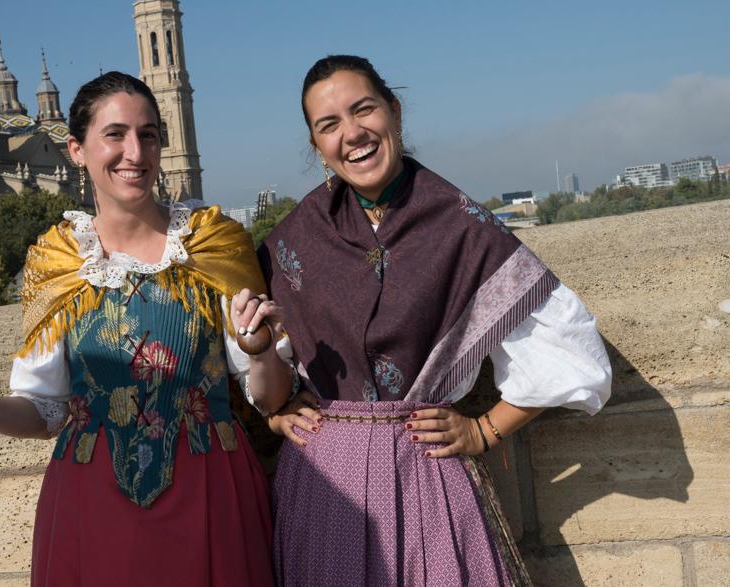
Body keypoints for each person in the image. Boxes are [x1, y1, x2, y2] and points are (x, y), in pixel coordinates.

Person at [234, 55, 612, 586]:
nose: (352, 134)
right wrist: (275, 415)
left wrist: (483, 429)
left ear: (395, 110)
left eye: (363, 109)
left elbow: (570, 349)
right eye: (329, 125)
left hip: (426, 479)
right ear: (317, 145)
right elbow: (262, 374)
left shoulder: (463, 226)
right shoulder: (290, 241)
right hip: (323, 490)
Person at [0, 71, 294, 586]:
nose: (135, 151)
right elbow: (45, 412)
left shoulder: (214, 244)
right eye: (115, 134)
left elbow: (270, 399)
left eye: (148, 134)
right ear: (75, 149)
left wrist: (261, 349)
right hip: (93, 503)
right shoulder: (56, 263)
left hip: (213, 493)